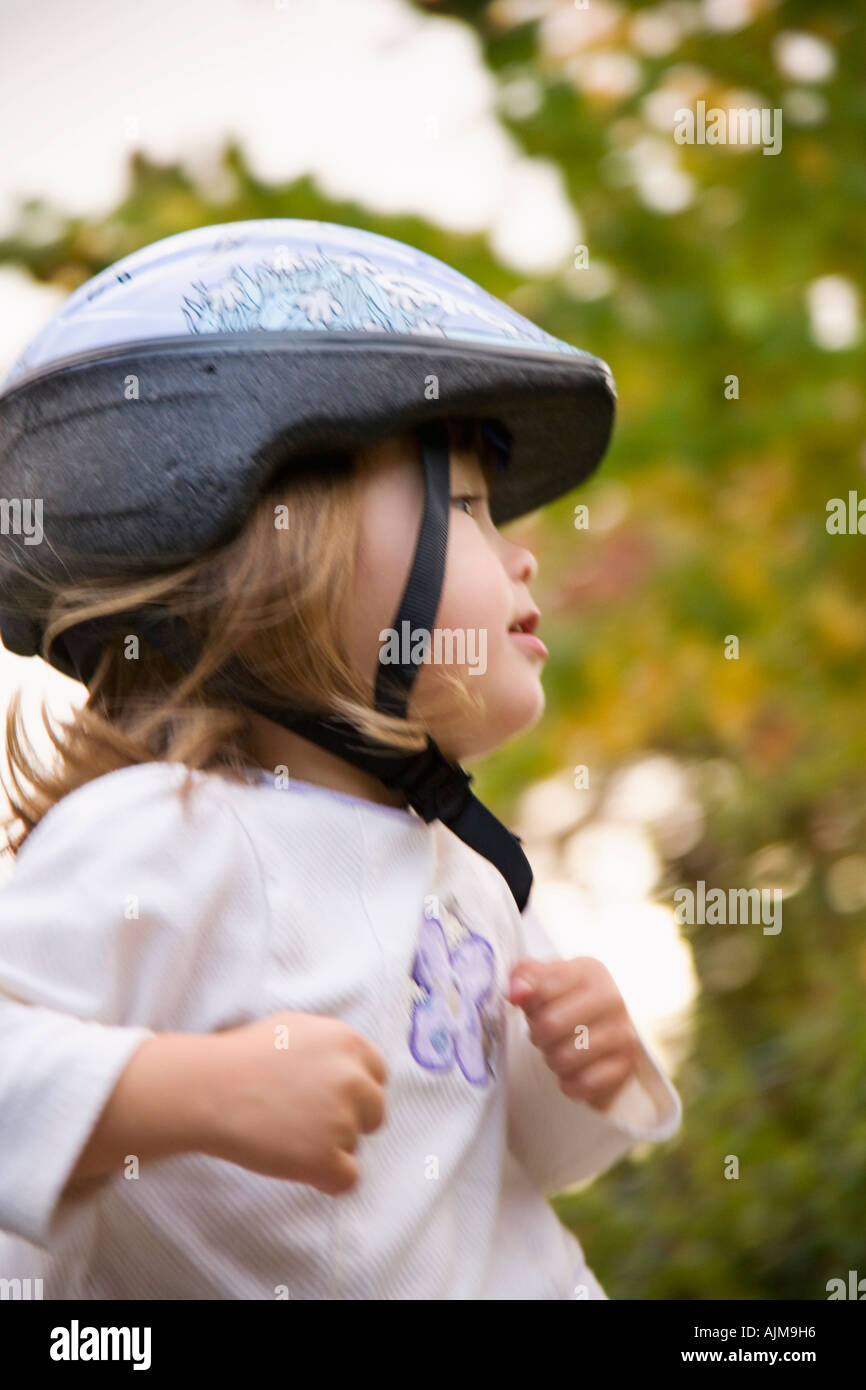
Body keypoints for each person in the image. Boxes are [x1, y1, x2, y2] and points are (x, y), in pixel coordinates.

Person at [0, 219, 681, 1300]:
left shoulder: (474, 872)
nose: (523, 550)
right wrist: (183, 1093)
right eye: (465, 505)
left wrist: (597, 1066)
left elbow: (539, 1161)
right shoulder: (158, 830)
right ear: (285, 550)